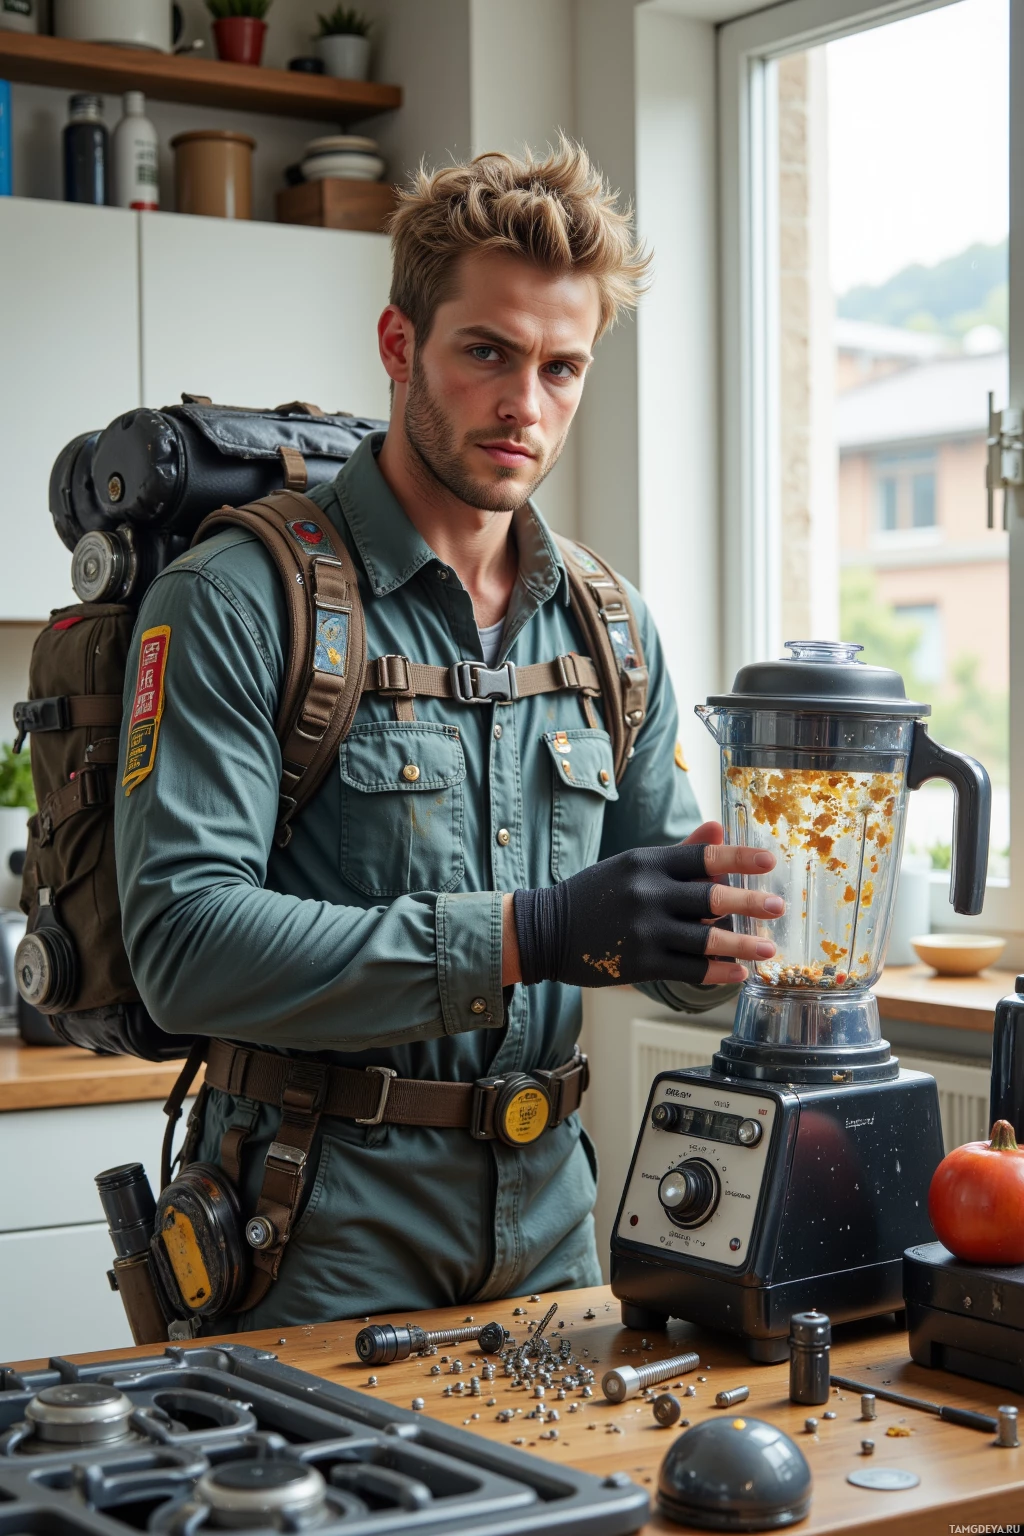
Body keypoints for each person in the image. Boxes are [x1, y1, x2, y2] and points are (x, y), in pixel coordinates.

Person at [114, 139, 783, 1331]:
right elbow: (184, 946)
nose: (526, 404)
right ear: (398, 347)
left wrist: (732, 946)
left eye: (562, 367)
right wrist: (534, 932)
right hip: (315, 1224)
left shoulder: (611, 624)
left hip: (556, 1220)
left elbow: (672, 950)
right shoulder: (233, 599)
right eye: (487, 353)